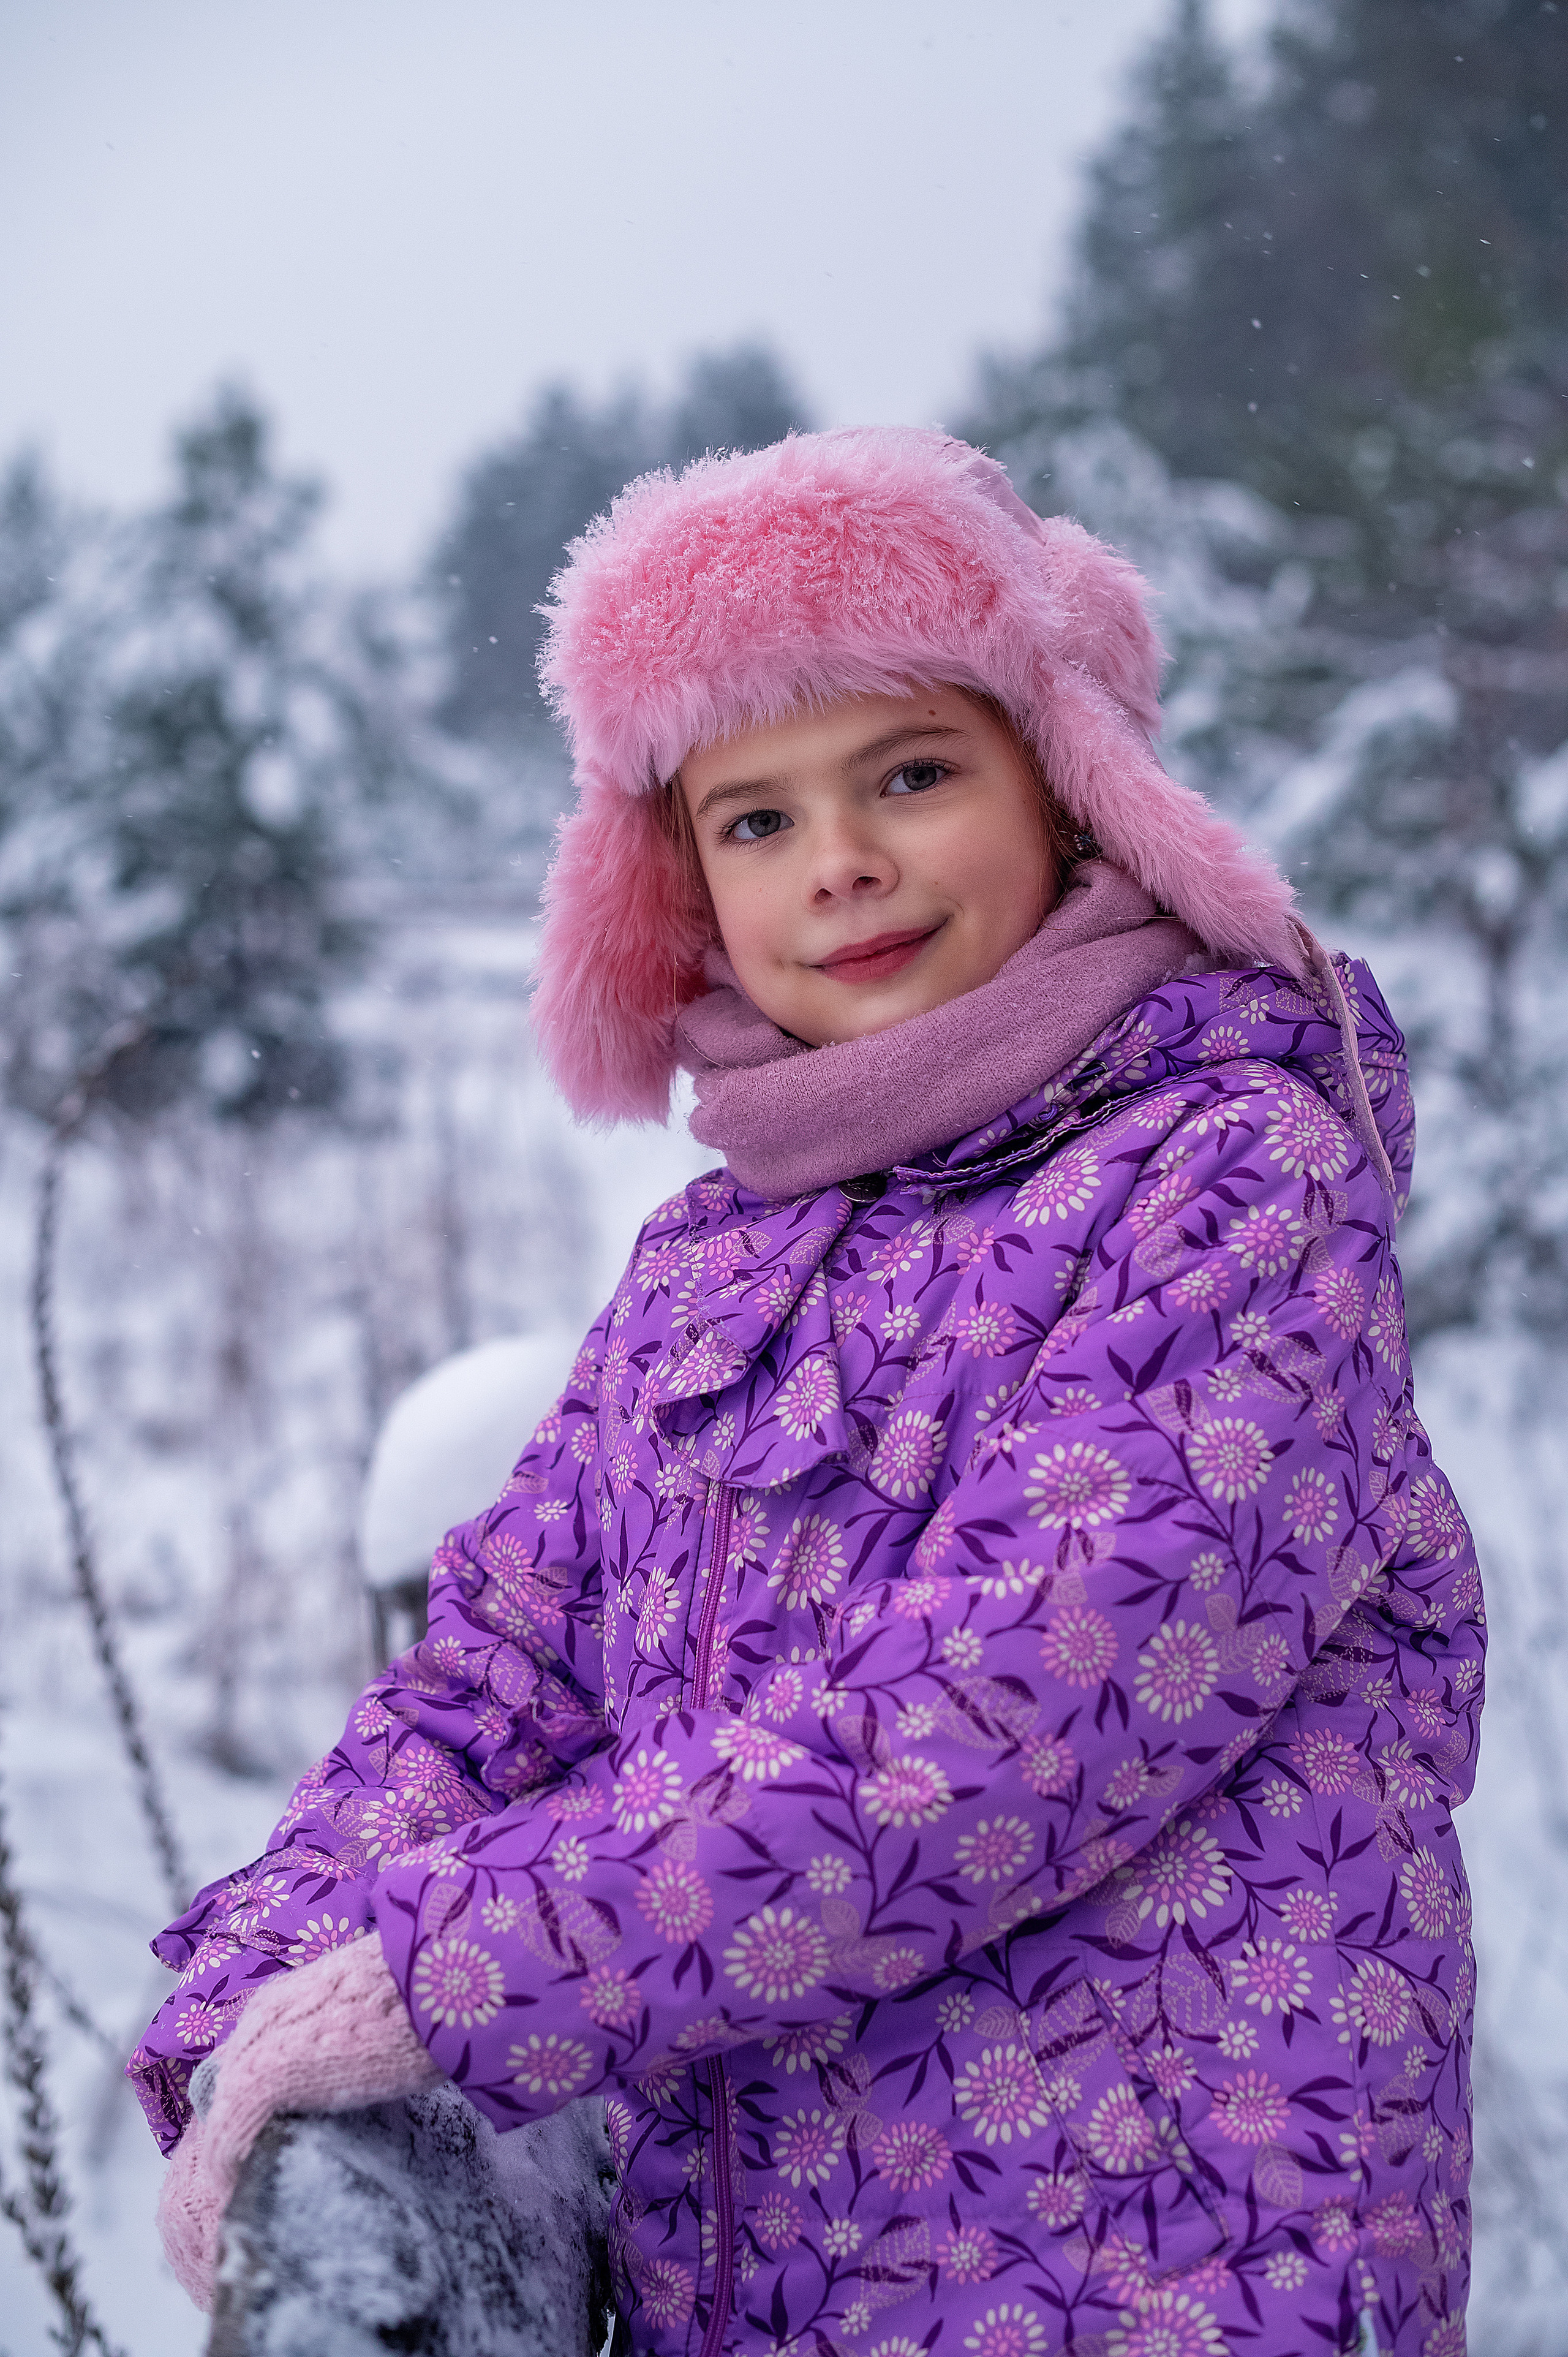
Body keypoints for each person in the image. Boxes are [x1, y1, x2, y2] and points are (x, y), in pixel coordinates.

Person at [138, 429, 1482, 2357]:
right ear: (674, 876)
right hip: (762, 2292)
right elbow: (499, 1674)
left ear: (1077, 793)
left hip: (1164, 2277)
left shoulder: (1232, 1181)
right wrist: (258, 1982)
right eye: (753, 819)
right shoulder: (717, 1255)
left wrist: (456, 1969)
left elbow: (1017, 1709)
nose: (838, 862)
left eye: (912, 775)